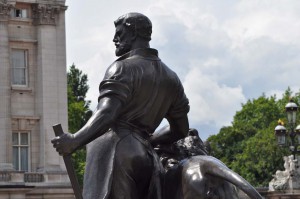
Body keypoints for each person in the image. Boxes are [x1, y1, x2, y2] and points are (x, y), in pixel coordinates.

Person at [52, 12, 190, 199]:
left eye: (120, 33)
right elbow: (181, 129)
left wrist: (74, 140)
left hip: (115, 150)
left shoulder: (122, 67)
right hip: (147, 158)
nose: (114, 39)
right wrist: (149, 142)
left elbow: (107, 112)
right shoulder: (172, 78)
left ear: (133, 34)